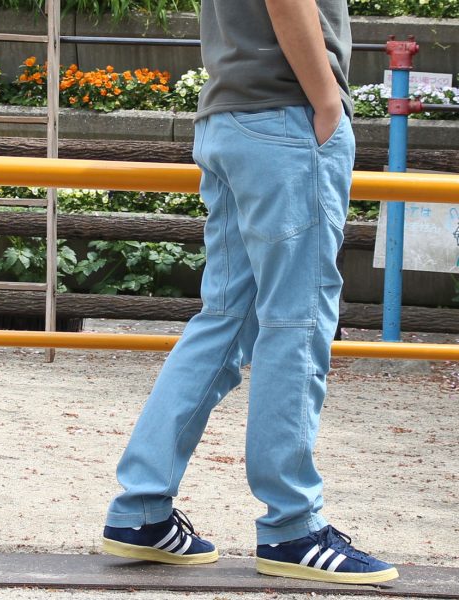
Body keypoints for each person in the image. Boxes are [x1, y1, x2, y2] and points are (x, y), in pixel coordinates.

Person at [102, 0, 399, 585]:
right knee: (297, 321)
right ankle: (293, 527)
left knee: (225, 319)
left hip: (232, 117)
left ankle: (141, 510)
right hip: (285, 118)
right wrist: (327, 103)